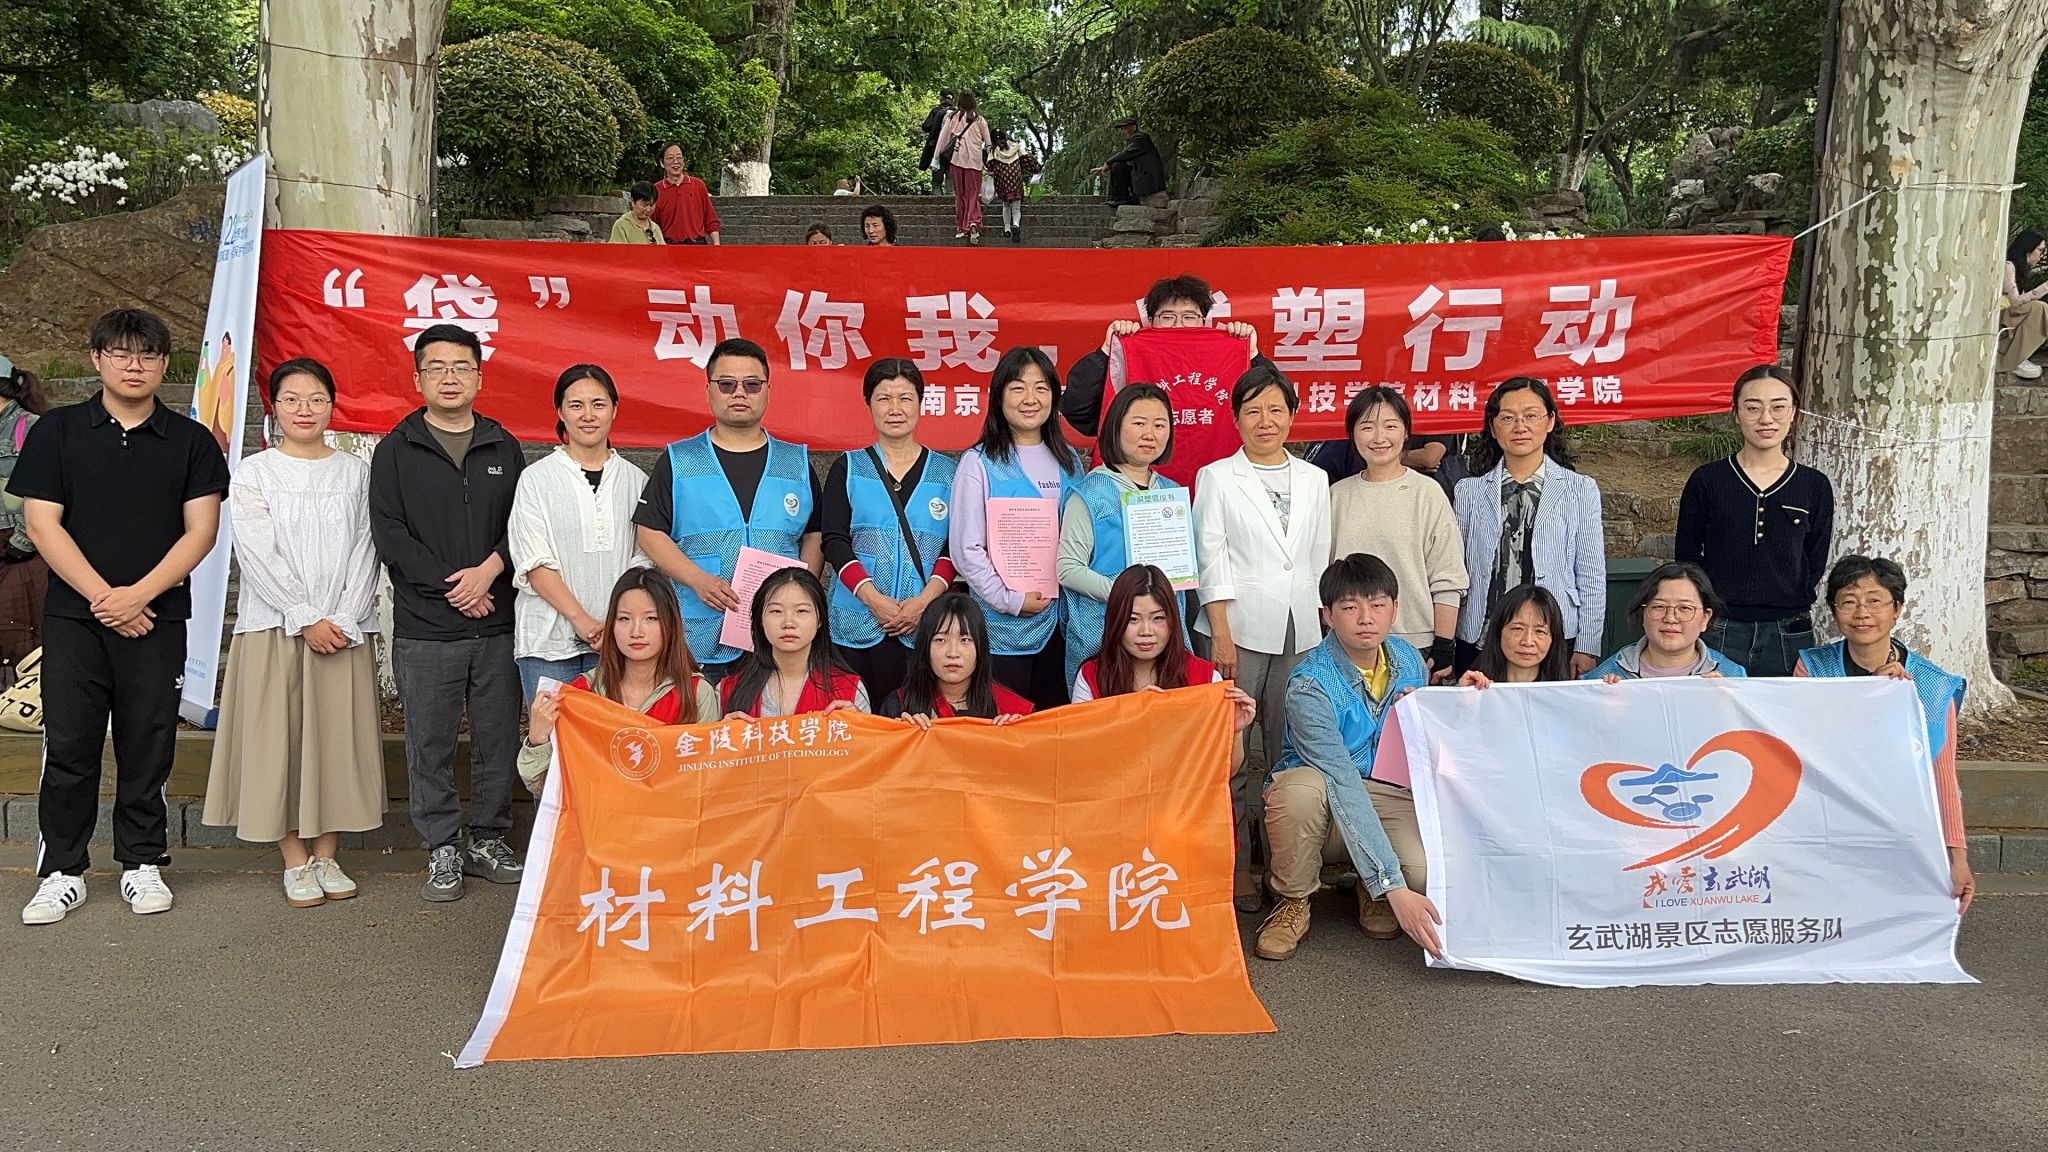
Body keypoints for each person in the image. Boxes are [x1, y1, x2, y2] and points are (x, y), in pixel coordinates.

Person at [12, 308, 229, 925]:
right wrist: (105, 599)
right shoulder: (57, 431)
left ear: (165, 364)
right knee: (70, 744)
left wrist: (140, 596)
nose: (135, 366)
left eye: (148, 355)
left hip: (158, 618)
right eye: (121, 354)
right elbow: (41, 524)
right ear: (96, 359)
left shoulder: (190, 441)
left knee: (149, 742)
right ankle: (61, 871)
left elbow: (201, 531)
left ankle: (142, 861)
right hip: (74, 618)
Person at [201, 358, 384, 908]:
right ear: (274, 407)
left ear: (332, 406)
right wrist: (304, 615)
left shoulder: (355, 472)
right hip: (275, 627)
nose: (305, 410)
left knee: (337, 741)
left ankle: (327, 854)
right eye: (292, 399)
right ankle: (293, 859)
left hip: (344, 629)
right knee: (275, 742)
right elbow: (257, 552)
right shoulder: (254, 473)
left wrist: (343, 616)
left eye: (316, 399)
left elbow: (367, 546)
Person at [368, 322, 527, 904]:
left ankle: (488, 837)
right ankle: (441, 845)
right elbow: (390, 534)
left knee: (497, 738)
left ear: (479, 377)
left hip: (497, 621)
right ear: (418, 379)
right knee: (429, 742)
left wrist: (490, 571)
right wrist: (454, 587)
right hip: (426, 628)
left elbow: (524, 523)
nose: (449, 377)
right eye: (436, 367)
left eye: (461, 366)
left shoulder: (503, 446)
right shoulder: (396, 449)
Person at [1257, 553, 1443, 962]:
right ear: (1328, 615)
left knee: (1425, 874)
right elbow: (1340, 776)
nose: (1365, 618)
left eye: (1377, 605)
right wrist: (1392, 883)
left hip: (1386, 792)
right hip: (1324, 792)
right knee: (1299, 792)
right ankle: (1293, 900)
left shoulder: (1409, 660)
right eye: (1349, 607)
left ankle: (1368, 885)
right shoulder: (1309, 683)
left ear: (1395, 609)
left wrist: (1458, 698)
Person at [1192, 365, 1331, 912]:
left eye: (1276, 409)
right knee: (1231, 751)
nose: (1265, 420)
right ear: (1236, 419)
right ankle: (1236, 867)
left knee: (1287, 748)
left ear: (1293, 416)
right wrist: (1221, 632)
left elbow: (1317, 557)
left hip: (1300, 628)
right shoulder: (1217, 476)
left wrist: (1320, 628)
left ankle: (1286, 867)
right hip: (1238, 628)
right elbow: (1210, 555)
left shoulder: (1314, 478)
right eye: (1253, 411)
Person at [635, 337, 823, 683]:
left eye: (751, 385)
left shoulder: (794, 462)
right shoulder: (680, 460)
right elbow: (648, 531)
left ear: (767, 391)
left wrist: (799, 593)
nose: (739, 393)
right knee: (705, 717)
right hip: (702, 630)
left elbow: (815, 532)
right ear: (708, 390)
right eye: (726, 384)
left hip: (778, 637)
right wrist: (698, 580)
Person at [1794, 555, 1973, 914]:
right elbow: (1806, 751)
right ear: (1834, 611)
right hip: (1829, 823)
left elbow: (1942, 777)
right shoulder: (1812, 668)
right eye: (1848, 602)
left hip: (1902, 828)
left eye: (1875, 601)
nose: (1862, 613)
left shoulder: (1934, 685)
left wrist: (1957, 858)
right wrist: (1868, 697)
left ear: (1897, 609)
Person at [1675, 365, 1834, 677]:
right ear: (1736, 413)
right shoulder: (1708, 480)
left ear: (1794, 413)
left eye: (1778, 407)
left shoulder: (1813, 485)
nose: (1766, 418)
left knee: (1784, 709)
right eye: (1753, 408)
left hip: (1788, 631)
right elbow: (1687, 557)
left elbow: (1814, 560)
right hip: (1719, 627)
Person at [949, 346, 1085, 710]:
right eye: (1018, 387)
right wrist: (1009, 600)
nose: (1030, 398)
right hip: (1002, 627)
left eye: (1041, 388)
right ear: (998, 397)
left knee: (1055, 725)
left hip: (1063, 625)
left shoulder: (1070, 461)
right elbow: (965, 549)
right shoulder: (978, 463)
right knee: (1004, 724)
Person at [509, 364, 649, 705]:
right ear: (560, 411)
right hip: (549, 642)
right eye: (576, 405)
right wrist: (581, 620)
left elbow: (644, 558)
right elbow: (533, 561)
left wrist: (614, 623)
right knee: (551, 735)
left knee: (613, 735)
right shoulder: (536, 479)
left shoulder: (636, 481)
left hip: (618, 641)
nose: (588, 415)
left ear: (614, 409)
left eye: (598, 404)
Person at [823, 359, 957, 706]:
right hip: (858, 620)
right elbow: (834, 541)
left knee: (916, 717)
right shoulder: (848, 467)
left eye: (905, 398)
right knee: (856, 716)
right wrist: (872, 599)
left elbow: (953, 548)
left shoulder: (948, 473)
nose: (895, 409)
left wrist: (923, 603)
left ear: (921, 403)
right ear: (868, 403)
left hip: (923, 623)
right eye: (883, 398)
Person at [1453, 376, 1605, 677]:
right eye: (1507, 418)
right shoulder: (1468, 491)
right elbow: (1456, 568)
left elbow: (1591, 573)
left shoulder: (1580, 489)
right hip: (1481, 634)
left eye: (1531, 416)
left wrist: (1588, 645)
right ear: (1493, 427)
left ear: (1550, 421)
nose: (1519, 426)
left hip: (1553, 637)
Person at [1059, 274, 1266, 488]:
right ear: (1151, 320)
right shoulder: (1130, 355)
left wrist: (1251, 355)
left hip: (1218, 486)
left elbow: (1274, 403)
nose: (1178, 324)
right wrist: (1109, 352)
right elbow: (1078, 413)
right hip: (1139, 487)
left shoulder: (1228, 353)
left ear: (1203, 320)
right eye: (1167, 316)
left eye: (1189, 316)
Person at [519, 569, 717, 791]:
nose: (636, 631)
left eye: (651, 618)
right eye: (624, 619)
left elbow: (708, 783)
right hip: (600, 813)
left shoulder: (696, 692)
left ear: (671, 623)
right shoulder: (583, 692)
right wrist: (538, 740)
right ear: (611, 625)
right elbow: (543, 785)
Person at [1329, 387, 1466, 674]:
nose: (1379, 437)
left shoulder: (1427, 493)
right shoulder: (1336, 496)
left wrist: (1444, 646)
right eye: (1367, 427)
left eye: (1390, 426)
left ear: (1405, 433)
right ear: (1352, 434)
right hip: (1346, 646)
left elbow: (1447, 576)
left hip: (1415, 645)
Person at [1058, 381, 1180, 689]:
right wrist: (1125, 597)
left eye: (1159, 425)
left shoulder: (1171, 493)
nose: (1150, 434)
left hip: (1161, 639)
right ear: (1115, 427)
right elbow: (1068, 568)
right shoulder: (1091, 492)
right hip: (1103, 634)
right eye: (1139, 423)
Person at [1070, 565, 1256, 744]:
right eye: (1133, 619)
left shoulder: (1205, 678)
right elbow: (1082, 754)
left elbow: (1225, 764)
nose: (1146, 631)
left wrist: (1235, 731)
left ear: (1173, 620)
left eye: (1158, 618)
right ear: (1115, 621)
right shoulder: (1091, 677)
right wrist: (1130, 715)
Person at [719, 567, 870, 717]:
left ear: (820, 619)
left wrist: (858, 725)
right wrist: (722, 730)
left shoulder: (849, 691)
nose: (788, 623)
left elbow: (868, 733)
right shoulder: (727, 691)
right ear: (760, 620)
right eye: (776, 611)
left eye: (801, 611)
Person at [878, 593, 1033, 725]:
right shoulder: (897, 706)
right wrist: (901, 737)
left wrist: (1012, 738)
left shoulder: (1012, 710)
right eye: (940, 640)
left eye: (965, 640)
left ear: (980, 647)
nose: (953, 653)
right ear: (925, 646)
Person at [1584, 561, 1748, 681]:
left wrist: (1727, 704)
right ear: (1643, 613)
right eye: (1659, 606)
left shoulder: (1732, 676)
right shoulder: (1604, 677)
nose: (1670, 618)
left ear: (1705, 617)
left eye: (1684, 608)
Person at [0, 353, 51, 670]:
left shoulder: (31, 428)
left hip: (20, 549)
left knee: (17, 636)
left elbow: (46, 491)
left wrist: (21, 542)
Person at [1455, 584, 1575, 686]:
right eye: (1518, 629)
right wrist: (1463, 698)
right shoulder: (1475, 685)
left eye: (1540, 631)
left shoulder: (1565, 695)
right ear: (1498, 631)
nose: (1528, 641)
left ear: (1553, 638)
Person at [933, 89, 993, 244]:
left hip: (957, 160)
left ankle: (961, 227)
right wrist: (991, 160)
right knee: (973, 194)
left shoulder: (953, 117)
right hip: (975, 162)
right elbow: (988, 143)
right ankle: (973, 222)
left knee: (960, 195)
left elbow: (943, 138)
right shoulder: (980, 119)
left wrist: (936, 158)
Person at [651, 142, 721, 245]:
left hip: (697, 246)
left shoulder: (698, 185)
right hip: (669, 247)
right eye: (670, 158)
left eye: (679, 157)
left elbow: (710, 219)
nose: (676, 161)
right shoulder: (656, 190)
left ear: (684, 161)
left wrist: (717, 245)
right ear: (662, 163)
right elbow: (651, 224)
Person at [1998, 228, 2046, 379]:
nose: (2041, 255)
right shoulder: (2008, 266)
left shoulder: (2021, 269)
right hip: (2002, 317)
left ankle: (2019, 355)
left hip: (2011, 316)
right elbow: (2015, 302)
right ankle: (2013, 359)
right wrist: (2044, 288)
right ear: (2028, 248)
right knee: (2039, 308)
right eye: (2040, 250)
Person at [1092, 116, 1165, 206]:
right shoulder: (1136, 143)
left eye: (1125, 128)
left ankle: (1122, 198)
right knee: (1117, 165)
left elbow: (1125, 154)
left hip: (1150, 182)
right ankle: (1115, 198)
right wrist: (1106, 167)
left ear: (1134, 127)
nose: (1123, 132)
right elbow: (1126, 159)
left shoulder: (1140, 138)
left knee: (1118, 166)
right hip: (1142, 179)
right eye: (1121, 129)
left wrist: (1108, 162)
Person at [986, 133, 1041, 244]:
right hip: (1015, 180)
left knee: (1006, 205)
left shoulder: (994, 151)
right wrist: (1037, 168)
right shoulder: (1016, 148)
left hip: (1002, 181)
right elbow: (1028, 160)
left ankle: (1007, 229)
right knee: (1016, 208)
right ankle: (1016, 224)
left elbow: (990, 166)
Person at [919, 90, 956, 196]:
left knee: (936, 182)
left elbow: (926, 126)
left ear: (941, 98)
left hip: (937, 149)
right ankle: (950, 201)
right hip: (952, 150)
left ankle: (937, 200)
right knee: (950, 180)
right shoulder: (957, 113)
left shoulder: (936, 111)